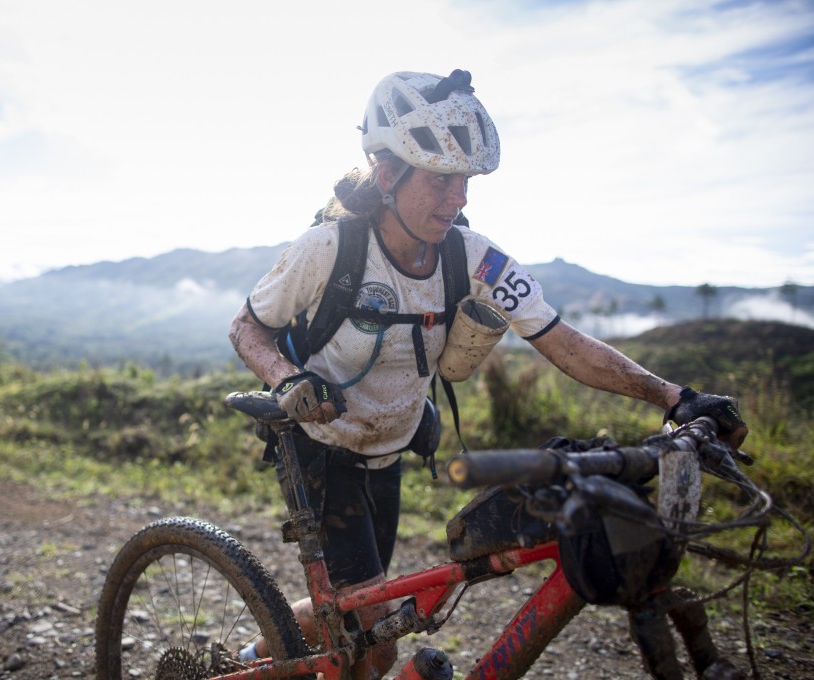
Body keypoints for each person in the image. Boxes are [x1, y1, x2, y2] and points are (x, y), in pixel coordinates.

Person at [228, 69, 747, 678]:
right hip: (322, 448)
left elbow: (565, 342)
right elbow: (247, 327)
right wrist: (287, 380)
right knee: (377, 640)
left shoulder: (471, 255)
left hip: (388, 449)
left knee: (362, 605)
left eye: (466, 181)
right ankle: (266, 661)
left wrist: (675, 396)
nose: (460, 198)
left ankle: (259, 654)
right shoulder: (327, 248)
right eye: (442, 179)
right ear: (388, 173)